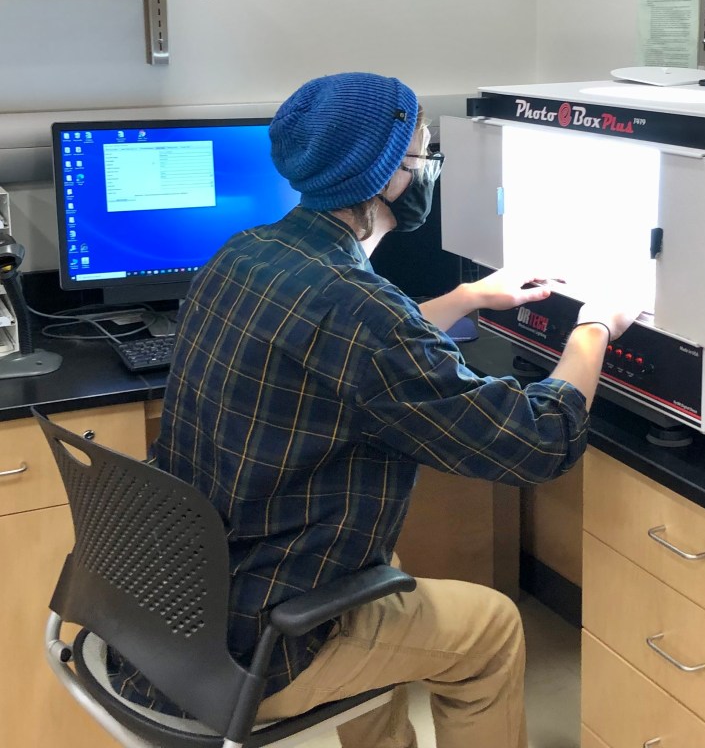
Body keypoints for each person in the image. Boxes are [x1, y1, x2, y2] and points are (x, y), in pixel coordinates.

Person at [111, 71, 638, 748]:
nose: (425, 174)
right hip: (259, 645)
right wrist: (594, 328)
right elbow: (538, 441)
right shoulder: (361, 311)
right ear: (386, 177)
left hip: (180, 603)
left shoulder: (245, 252)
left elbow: (343, 344)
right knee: (492, 631)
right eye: (422, 159)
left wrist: (470, 298)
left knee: (379, 572)